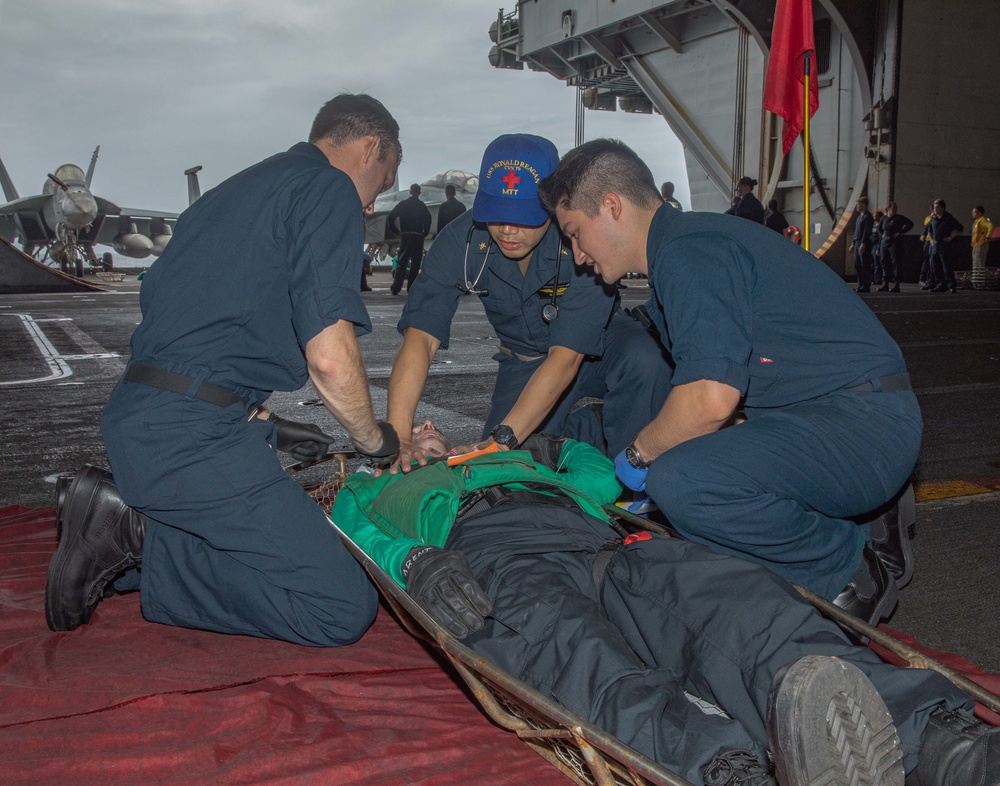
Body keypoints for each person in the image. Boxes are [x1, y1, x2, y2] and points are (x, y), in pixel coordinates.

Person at [333, 425, 997, 786]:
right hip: (491, 562)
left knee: (743, 608)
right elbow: (352, 533)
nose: (425, 430)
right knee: (585, 663)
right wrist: (415, 561)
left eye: (431, 425)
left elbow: (604, 480)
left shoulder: (512, 458)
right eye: (411, 428)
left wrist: (550, 451)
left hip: (606, 544)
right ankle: (725, 770)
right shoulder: (375, 490)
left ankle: (942, 743)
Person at [45, 93, 403, 646]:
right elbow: (330, 358)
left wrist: (267, 420)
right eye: (383, 181)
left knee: (260, 550)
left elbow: (201, 329)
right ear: (370, 148)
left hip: (144, 415)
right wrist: (376, 440)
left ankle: (123, 526)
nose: (374, 203)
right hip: (190, 438)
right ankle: (132, 531)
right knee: (339, 605)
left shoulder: (231, 192)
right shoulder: (329, 187)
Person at [537, 139, 921, 626]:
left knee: (682, 481)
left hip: (862, 427)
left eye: (574, 233)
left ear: (611, 206)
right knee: (693, 479)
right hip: (841, 417)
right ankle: (861, 520)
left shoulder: (687, 252)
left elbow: (710, 400)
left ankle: (848, 568)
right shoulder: (688, 247)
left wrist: (635, 458)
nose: (576, 255)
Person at [385, 133, 673, 472]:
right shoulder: (460, 241)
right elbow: (421, 338)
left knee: (645, 354)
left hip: (596, 351)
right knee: (501, 471)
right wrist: (399, 436)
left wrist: (503, 438)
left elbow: (566, 358)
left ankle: (633, 471)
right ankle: (591, 430)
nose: (507, 229)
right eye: (496, 213)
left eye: (523, 216)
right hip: (522, 362)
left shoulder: (580, 238)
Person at [388, 183, 432, 295]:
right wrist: (424, 233)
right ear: (419, 193)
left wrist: (396, 231)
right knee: (416, 264)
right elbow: (428, 219)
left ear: (410, 191)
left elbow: (391, 216)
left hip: (405, 236)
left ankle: (396, 288)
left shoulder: (403, 204)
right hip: (417, 237)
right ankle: (411, 288)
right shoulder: (422, 205)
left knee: (402, 262)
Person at [925, 198, 964, 293]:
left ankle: (951, 285)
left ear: (942, 207)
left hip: (944, 246)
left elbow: (960, 228)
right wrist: (931, 240)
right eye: (934, 207)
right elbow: (928, 230)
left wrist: (951, 237)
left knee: (946, 266)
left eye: (937, 207)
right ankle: (940, 285)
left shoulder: (948, 218)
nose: (935, 209)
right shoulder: (933, 219)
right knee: (936, 266)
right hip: (935, 246)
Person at [877, 203, 914, 292]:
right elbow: (879, 228)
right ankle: (885, 283)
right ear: (888, 209)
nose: (895, 210)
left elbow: (910, 224)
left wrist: (900, 232)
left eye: (896, 208)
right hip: (885, 241)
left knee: (895, 262)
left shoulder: (899, 218)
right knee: (884, 261)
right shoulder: (884, 218)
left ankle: (896, 284)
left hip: (894, 241)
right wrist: (882, 235)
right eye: (893, 208)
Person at [851, 196, 875, 293]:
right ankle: (860, 285)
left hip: (863, 242)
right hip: (857, 242)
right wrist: (853, 243)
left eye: (859, 204)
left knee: (864, 265)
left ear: (864, 205)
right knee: (858, 265)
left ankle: (866, 286)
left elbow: (867, 232)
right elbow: (856, 231)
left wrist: (863, 244)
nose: (857, 206)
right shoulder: (859, 217)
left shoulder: (868, 217)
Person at [971, 205, 994, 287]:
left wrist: (988, 236)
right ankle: (976, 281)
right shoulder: (976, 222)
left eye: (974, 212)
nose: (972, 214)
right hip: (975, 245)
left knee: (980, 263)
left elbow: (990, 225)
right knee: (975, 263)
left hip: (981, 244)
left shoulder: (983, 220)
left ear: (979, 213)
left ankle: (980, 282)